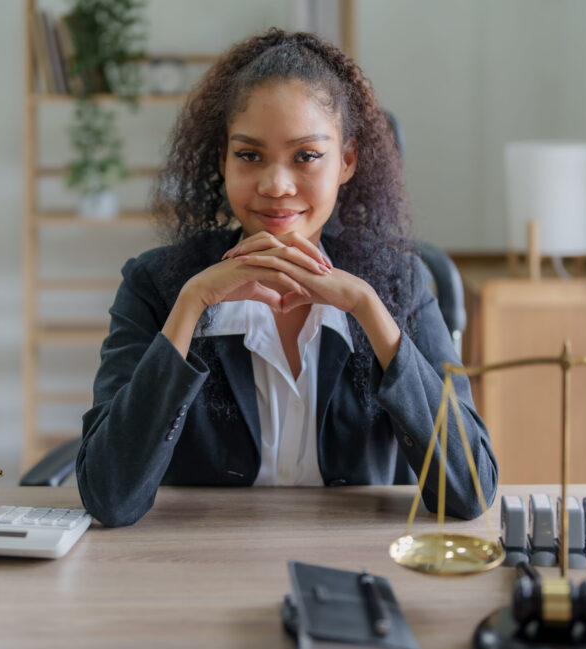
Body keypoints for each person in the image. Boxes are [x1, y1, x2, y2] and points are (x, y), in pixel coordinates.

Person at [76, 28, 497, 527]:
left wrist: (369, 310)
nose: (276, 185)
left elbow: (470, 491)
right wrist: (190, 307)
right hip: (199, 566)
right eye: (249, 155)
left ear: (346, 160)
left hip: (355, 568)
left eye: (307, 156)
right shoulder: (156, 283)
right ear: (222, 160)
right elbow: (109, 497)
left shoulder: (399, 283)